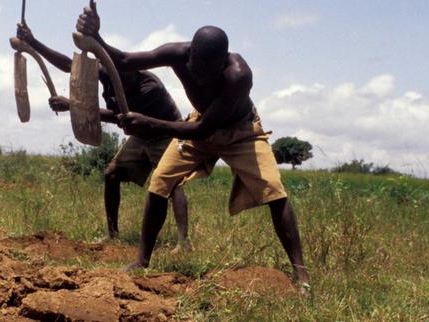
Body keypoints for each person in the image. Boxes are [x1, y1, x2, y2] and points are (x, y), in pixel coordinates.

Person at [76, 1, 310, 289]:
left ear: (223, 61)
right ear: (191, 54)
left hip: (240, 131)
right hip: (198, 124)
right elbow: (123, 61)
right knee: (160, 183)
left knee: (275, 192)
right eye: (195, 67)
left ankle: (300, 273)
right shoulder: (178, 53)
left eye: (208, 70)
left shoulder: (238, 75)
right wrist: (97, 37)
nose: (199, 75)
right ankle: (142, 261)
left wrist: (149, 123)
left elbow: (204, 129)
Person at [16, 23, 192, 252]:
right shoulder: (107, 72)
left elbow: (119, 116)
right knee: (111, 175)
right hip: (140, 136)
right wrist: (34, 43)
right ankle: (112, 233)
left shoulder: (149, 88)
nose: (117, 78)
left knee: (171, 182)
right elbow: (71, 67)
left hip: (164, 134)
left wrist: (72, 105)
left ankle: (183, 241)